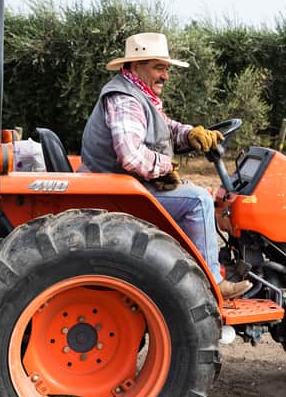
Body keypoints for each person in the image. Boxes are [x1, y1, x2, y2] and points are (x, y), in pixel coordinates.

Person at [80, 32, 250, 299]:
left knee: (195, 196)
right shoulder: (126, 99)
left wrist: (190, 134)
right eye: (159, 68)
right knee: (199, 201)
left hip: (121, 182)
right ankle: (214, 282)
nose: (165, 76)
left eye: (167, 69)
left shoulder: (138, 93)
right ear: (136, 66)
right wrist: (165, 166)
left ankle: (186, 268)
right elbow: (130, 156)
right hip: (116, 189)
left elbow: (164, 127)